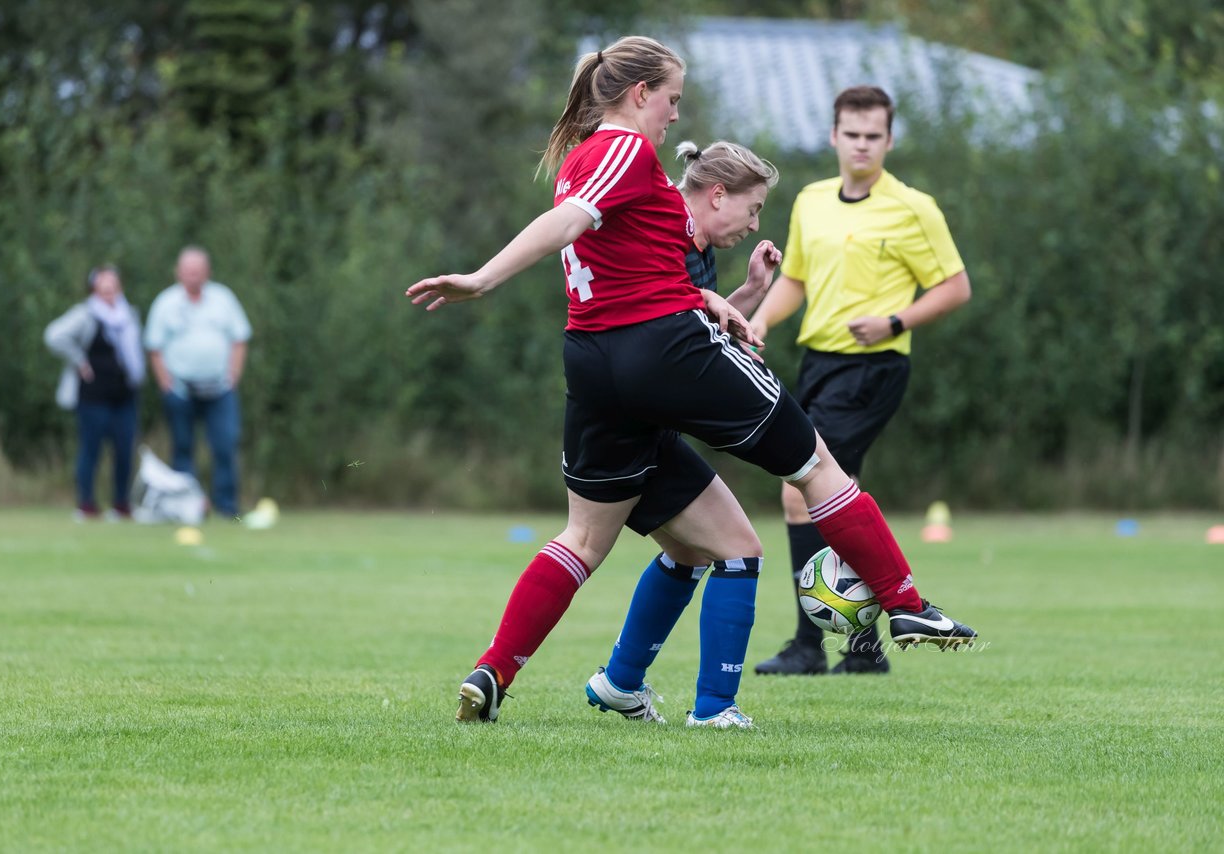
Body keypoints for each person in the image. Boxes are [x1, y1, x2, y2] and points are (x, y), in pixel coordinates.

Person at [405, 37, 975, 729]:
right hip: (660, 348)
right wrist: (482, 277)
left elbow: (649, 260)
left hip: (592, 362)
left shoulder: (587, 160)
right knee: (815, 462)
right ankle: (904, 600)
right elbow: (570, 224)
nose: (676, 115)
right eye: (672, 99)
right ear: (640, 93)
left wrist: (730, 296)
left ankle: (498, 669)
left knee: (605, 539)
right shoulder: (623, 147)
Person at [750, 85, 972, 677]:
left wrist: (895, 320)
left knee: (801, 489)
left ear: (889, 140)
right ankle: (866, 651)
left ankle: (806, 645)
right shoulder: (812, 200)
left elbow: (955, 286)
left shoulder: (913, 206)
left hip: (874, 368)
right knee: (839, 494)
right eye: (852, 134)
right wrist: (761, 318)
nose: (862, 145)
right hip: (818, 363)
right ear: (833, 136)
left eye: (874, 136)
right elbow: (794, 278)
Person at [585, 139, 787, 724]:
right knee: (739, 550)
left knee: (687, 551)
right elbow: (664, 329)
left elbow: (695, 319)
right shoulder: (665, 237)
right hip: (632, 425)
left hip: (633, 423)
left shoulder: (695, 251)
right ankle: (714, 708)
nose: (754, 225)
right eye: (752, 210)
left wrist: (748, 292)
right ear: (717, 194)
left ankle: (620, 682)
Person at [144, 246, 252, 518]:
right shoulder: (166, 303)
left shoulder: (223, 299)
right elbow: (154, 346)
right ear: (179, 273)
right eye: (189, 272)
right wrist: (165, 383)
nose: (194, 276)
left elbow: (239, 338)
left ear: (208, 272)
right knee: (183, 450)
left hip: (220, 390)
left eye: (199, 271)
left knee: (225, 445)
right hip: (181, 390)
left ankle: (227, 508)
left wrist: (234, 375)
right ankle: (187, 509)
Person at [44, 265, 145, 520]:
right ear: (94, 287)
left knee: (124, 449)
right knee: (91, 449)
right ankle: (86, 503)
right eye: (103, 284)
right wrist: (79, 360)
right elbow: (54, 335)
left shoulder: (129, 314)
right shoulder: (85, 314)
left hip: (124, 394)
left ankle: (122, 504)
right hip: (93, 395)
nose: (109, 289)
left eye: (113, 283)